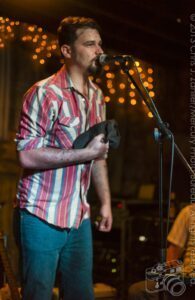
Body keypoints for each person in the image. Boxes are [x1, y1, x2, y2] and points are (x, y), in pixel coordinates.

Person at [15, 16, 112, 300]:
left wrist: (105, 202)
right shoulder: (44, 92)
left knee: (81, 294)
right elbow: (27, 155)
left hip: (78, 216)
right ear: (67, 51)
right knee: (39, 295)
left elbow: (99, 157)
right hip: (41, 213)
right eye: (90, 44)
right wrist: (86, 153)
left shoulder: (98, 96)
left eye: (100, 44)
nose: (99, 51)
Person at [128, 202, 195, 300]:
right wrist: (169, 272)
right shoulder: (190, 211)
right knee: (137, 290)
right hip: (188, 280)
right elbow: (172, 255)